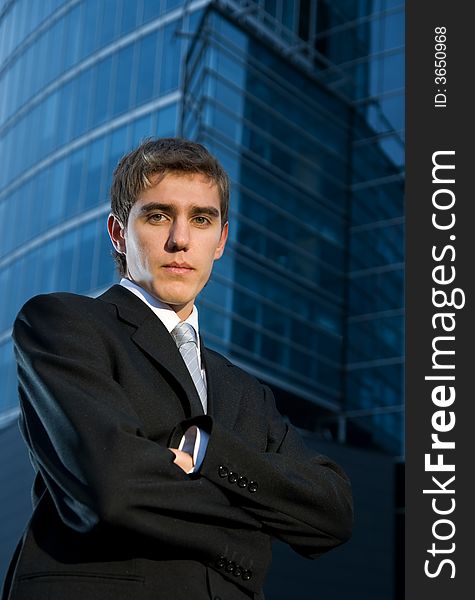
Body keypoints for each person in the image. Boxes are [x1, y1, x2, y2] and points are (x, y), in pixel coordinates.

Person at [2, 138, 353, 600]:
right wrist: (252, 534)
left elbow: (332, 512)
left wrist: (209, 452)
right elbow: (113, 488)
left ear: (221, 240)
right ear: (118, 232)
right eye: (158, 215)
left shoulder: (246, 392)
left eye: (201, 219)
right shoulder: (63, 325)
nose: (180, 239)